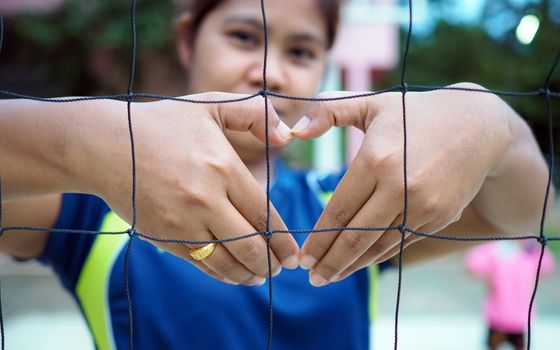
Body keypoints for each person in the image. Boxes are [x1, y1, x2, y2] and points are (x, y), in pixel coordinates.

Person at [0, 0, 553, 349]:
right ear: (189, 40)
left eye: (302, 49)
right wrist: (85, 141)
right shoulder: (93, 201)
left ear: (323, 69)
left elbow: (525, 215)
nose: (269, 68)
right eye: (243, 35)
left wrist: (493, 122)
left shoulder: (354, 204)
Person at [466, 240, 555, 350]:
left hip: (519, 319)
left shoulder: (531, 247)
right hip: (497, 318)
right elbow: (472, 265)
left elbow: (547, 266)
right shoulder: (495, 247)